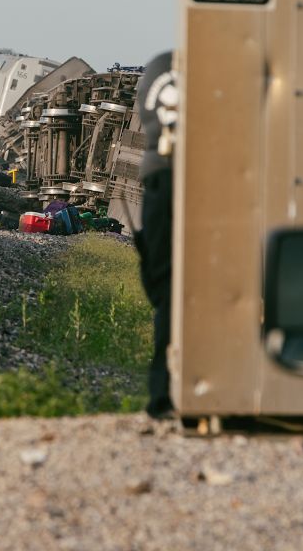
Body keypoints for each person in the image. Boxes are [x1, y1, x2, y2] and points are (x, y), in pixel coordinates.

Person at [133, 51, 176, 419]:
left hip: (158, 176)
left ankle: (162, 394)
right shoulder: (214, 66)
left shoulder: (158, 68)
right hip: (209, 177)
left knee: (165, 293)